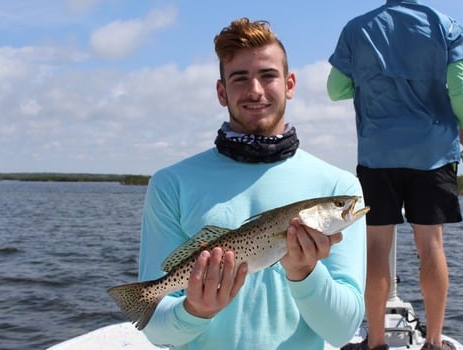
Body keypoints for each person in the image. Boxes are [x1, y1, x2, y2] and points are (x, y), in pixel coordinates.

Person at [137, 18, 367, 350]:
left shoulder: (337, 185)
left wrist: (305, 273)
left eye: (268, 76)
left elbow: (343, 330)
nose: (255, 90)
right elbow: (156, 332)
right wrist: (194, 310)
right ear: (221, 91)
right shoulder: (170, 184)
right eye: (240, 78)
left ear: (290, 84)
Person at [327, 1, 463, 350]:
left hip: (378, 153)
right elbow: (460, 89)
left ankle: (376, 343)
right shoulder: (445, 25)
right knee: (431, 246)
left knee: (377, 248)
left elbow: (335, 89)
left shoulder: (357, 29)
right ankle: (433, 342)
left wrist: (369, 87)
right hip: (433, 152)